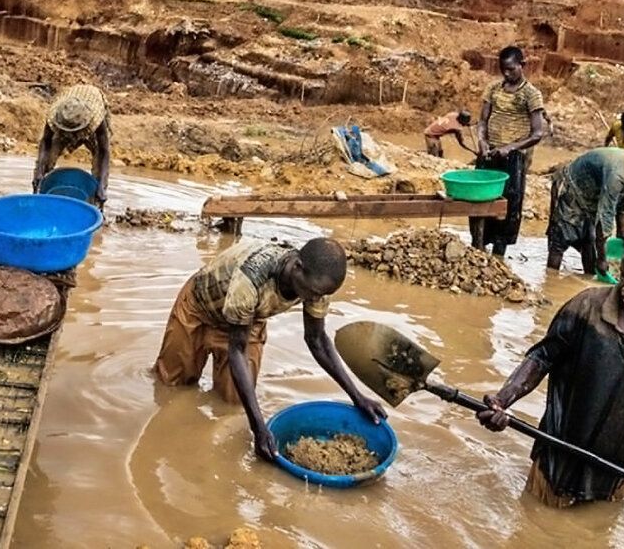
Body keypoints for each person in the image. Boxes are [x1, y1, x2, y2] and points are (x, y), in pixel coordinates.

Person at [477, 231, 624, 508]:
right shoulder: (587, 308)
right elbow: (542, 357)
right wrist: (503, 401)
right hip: (553, 468)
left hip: (614, 479)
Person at [153, 237, 386, 460]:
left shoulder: (317, 288)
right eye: (313, 292)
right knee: (171, 385)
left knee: (233, 403)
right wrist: (259, 428)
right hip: (200, 308)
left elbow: (317, 340)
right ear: (297, 267)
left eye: (322, 295)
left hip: (247, 320)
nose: (316, 299)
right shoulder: (253, 279)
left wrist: (358, 397)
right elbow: (237, 350)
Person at [470, 46, 546, 255]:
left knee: (507, 206)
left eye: (511, 69)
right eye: (503, 69)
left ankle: (499, 254)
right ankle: (477, 248)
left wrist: (510, 148)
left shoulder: (531, 94)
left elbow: (537, 133)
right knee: (480, 200)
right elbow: (482, 121)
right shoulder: (494, 89)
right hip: (489, 153)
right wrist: (483, 142)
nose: (507, 73)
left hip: (514, 158)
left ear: (522, 66)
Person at [546, 143, 624, 275]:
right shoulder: (618, 175)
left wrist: (621, 232)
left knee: (589, 239)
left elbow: (623, 203)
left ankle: (589, 278)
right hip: (572, 185)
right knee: (560, 239)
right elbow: (606, 215)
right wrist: (602, 259)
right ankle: (550, 282)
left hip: (592, 196)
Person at [32, 84, 111, 209]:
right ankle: (38, 201)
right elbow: (46, 141)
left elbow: (104, 151)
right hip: (63, 127)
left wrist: (101, 185)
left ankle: (97, 209)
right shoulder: (56, 117)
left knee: (99, 180)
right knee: (42, 170)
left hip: (87, 126)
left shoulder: (96, 120)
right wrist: (39, 173)